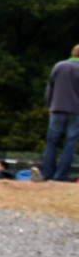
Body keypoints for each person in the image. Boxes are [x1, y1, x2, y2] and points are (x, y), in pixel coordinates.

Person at [41, 44, 79, 181]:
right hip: (76, 112)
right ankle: (60, 176)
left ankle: (47, 174)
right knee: (70, 144)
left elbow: (50, 88)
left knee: (52, 142)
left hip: (57, 109)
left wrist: (49, 106)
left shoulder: (60, 66)